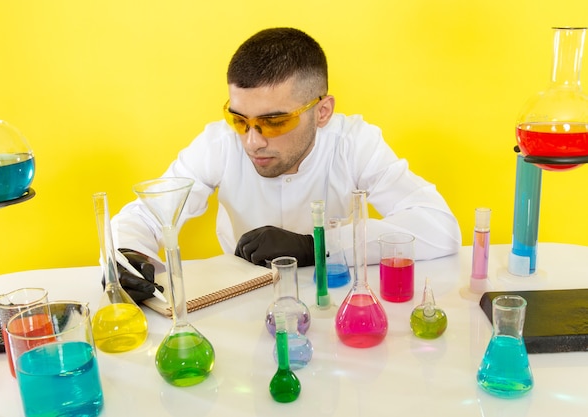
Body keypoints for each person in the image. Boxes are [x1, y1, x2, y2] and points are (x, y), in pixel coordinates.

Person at [111, 27, 462, 302]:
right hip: (242, 302)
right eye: (239, 119)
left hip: (335, 300)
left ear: (322, 112)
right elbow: (144, 216)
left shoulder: (354, 143)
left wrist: (316, 245)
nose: (253, 140)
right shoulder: (219, 143)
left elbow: (440, 228)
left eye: (275, 121)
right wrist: (125, 259)